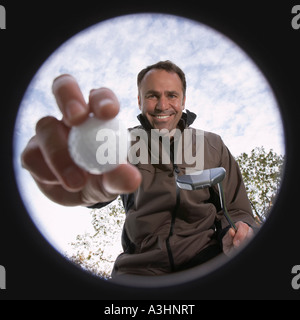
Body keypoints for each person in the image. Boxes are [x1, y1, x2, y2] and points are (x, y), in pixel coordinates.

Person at [22, 60, 256, 277]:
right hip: (136, 272)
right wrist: (78, 175)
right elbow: (98, 186)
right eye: (152, 96)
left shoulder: (213, 144)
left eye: (172, 95)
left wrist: (234, 234)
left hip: (208, 262)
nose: (162, 105)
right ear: (140, 100)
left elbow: (237, 209)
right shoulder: (120, 142)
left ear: (183, 100)